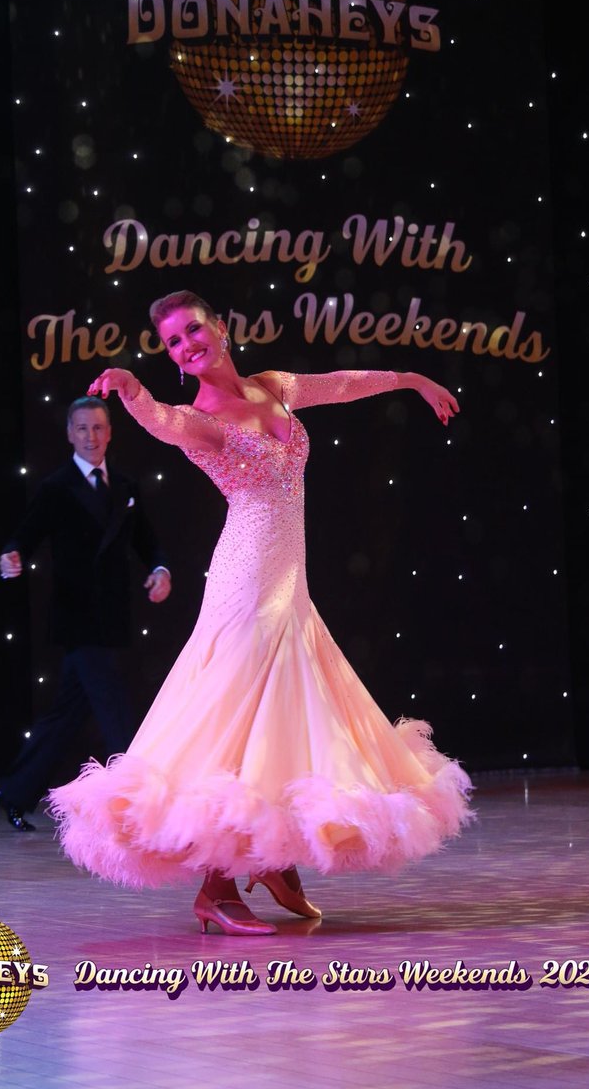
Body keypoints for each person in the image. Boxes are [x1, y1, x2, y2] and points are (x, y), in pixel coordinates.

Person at [49, 293, 473, 934]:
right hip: (248, 580)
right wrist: (132, 391)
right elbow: (160, 420)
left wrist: (410, 378)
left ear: (219, 326)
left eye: (193, 329)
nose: (186, 344)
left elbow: (340, 384)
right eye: (172, 342)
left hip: (286, 579)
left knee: (284, 715)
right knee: (242, 716)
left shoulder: (270, 386)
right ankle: (216, 887)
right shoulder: (203, 416)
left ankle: (270, 857)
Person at [0, 397, 171, 830]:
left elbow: (146, 541)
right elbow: (24, 536)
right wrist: (11, 556)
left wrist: (160, 569)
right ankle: (138, 804)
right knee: (114, 708)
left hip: (112, 617)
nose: (91, 437)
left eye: (98, 428)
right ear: (70, 434)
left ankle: (13, 793)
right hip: (78, 618)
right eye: (83, 429)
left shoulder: (125, 486)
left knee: (66, 714)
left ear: (109, 433)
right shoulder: (57, 486)